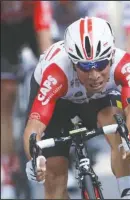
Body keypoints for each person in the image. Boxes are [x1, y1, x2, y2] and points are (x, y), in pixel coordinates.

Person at [23, 17, 130, 199]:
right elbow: (35, 124)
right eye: (85, 67)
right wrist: (33, 160)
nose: (94, 75)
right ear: (73, 63)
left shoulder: (125, 64)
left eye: (100, 65)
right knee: (54, 176)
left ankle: (128, 194)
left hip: (100, 100)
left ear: (111, 56)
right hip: (60, 103)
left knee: (117, 122)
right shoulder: (56, 73)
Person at [1, 1, 53, 198]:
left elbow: (45, 38)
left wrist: (47, 69)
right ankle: (7, 172)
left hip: (32, 27)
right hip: (4, 33)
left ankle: (63, 159)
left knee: (51, 83)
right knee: (6, 93)